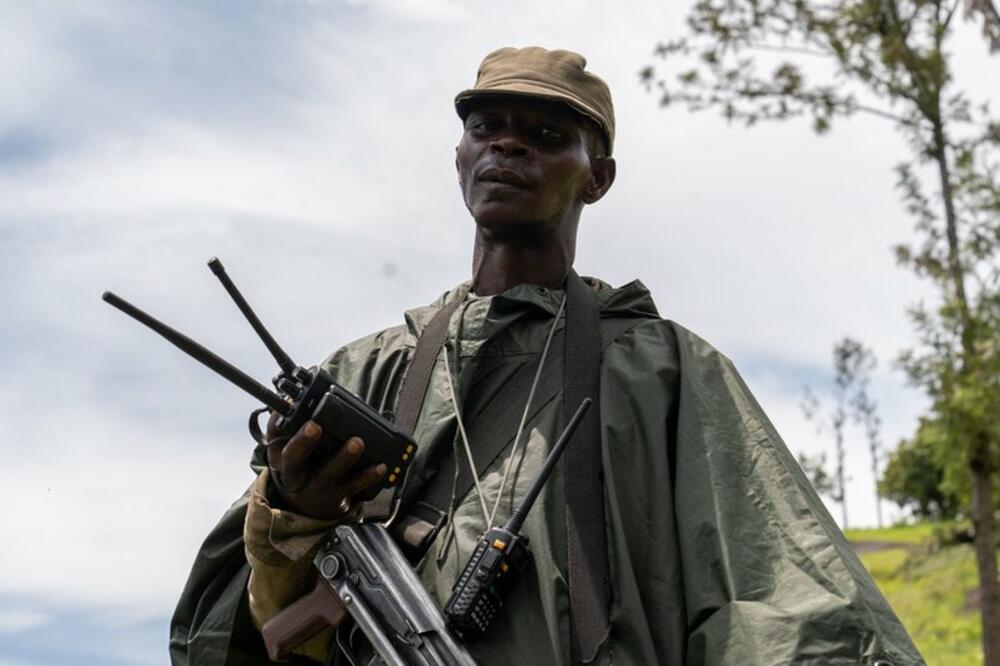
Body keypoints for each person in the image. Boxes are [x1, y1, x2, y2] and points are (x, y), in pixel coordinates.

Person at [170, 46, 923, 665]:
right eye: (487, 127)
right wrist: (290, 518)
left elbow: (788, 607)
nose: (507, 144)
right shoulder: (371, 372)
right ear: (459, 157)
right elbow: (217, 639)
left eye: (546, 135)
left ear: (598, 177)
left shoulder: (664, 372)